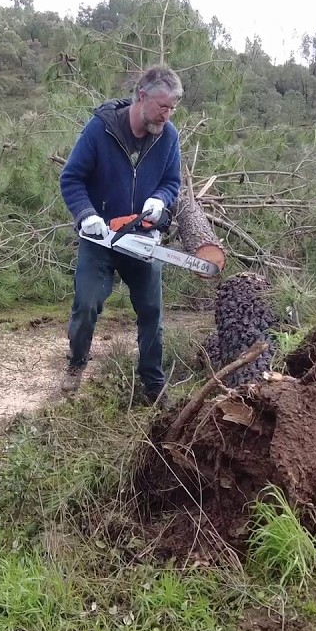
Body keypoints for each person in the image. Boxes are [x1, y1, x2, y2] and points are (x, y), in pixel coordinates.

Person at [57, 65, 183, 403]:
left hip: (140, 239)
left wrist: (161, 199)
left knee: (151, 311)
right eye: (162, 107)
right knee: (86, 304)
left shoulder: (168, 136)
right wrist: (86, 215)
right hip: (100, 238)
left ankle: (153, 384)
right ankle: (77, 360)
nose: (167, 115)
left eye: (172, 108)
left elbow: (172, 182)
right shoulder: (101, 130)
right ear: (142, 97)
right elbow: (71, 178)